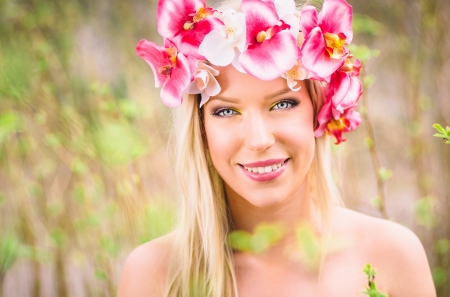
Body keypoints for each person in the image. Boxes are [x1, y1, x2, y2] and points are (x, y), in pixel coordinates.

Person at [118, 0, 436, 296]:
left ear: (318, 108)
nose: (259, 140)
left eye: (283, 103)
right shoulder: (153, 276)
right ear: (200, 130)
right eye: (226, 111)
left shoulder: (392, 257)